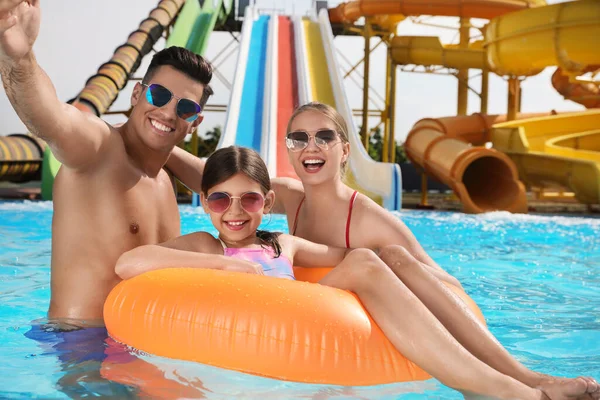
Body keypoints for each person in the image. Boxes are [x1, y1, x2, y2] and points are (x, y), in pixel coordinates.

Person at [165, 106, 598, 400]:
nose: (310, 146)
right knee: (374, 261)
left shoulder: (369, 219)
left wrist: (395, 270)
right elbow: (215, 181)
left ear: (344, 150)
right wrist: (157, 142)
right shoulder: (286, 196)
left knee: (393, 257)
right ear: (290, 151)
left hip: (351, 304)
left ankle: (523, 378)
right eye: (298, 138)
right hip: (297, 304)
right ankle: (511, 385)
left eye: (324, 137)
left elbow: (446, 283)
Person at [0, 0, 258, 325]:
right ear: (137, 94)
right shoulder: (99, 149)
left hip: (140, 345)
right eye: (159, 96)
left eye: (185, 109)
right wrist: (19, 57)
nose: (167, 113)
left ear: (195, 120)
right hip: (81, 351)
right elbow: (51, 118)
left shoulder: (164, 180)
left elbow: (242, 185)